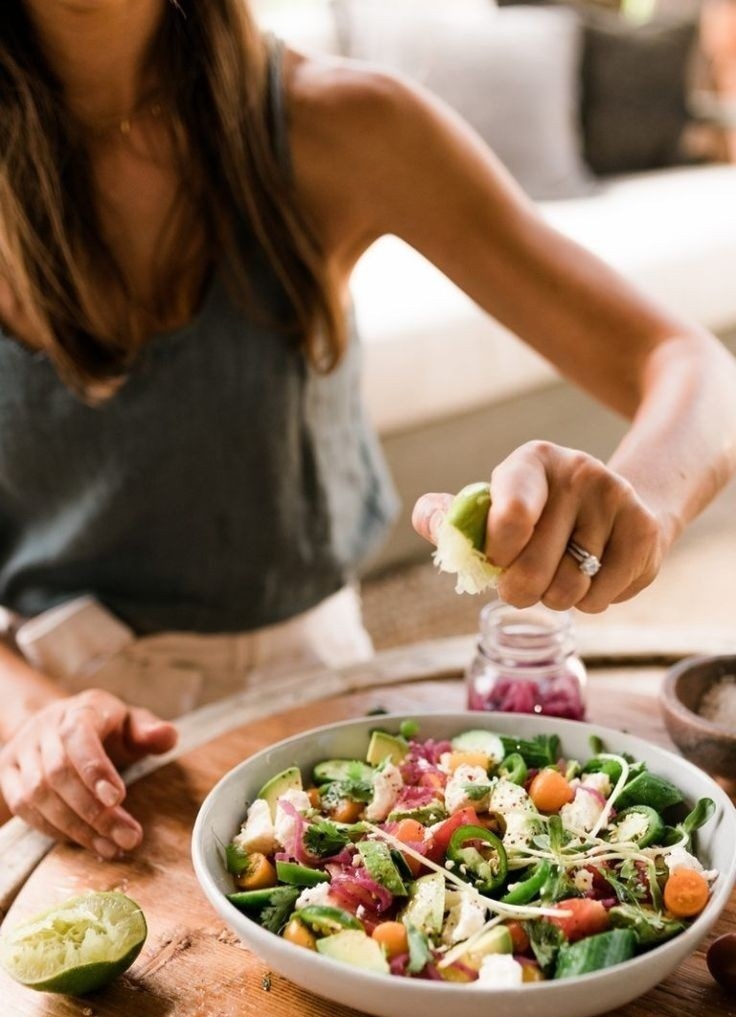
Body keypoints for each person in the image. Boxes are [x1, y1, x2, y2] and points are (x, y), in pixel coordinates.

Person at [0, 0, 735, 860]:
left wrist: (640, 507)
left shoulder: (346, 122)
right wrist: (33, 716)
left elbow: (695, 366)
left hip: (309, 703)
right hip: (50, 751)